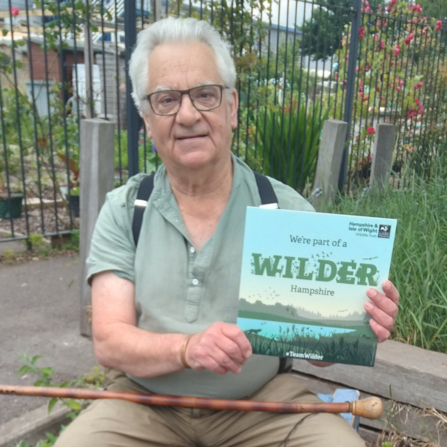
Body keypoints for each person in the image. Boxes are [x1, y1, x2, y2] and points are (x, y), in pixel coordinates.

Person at [55, 17, 399, 447]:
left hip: (264, 406)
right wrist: (186, 348)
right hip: (143, 404)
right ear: (146, 119)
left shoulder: (285, 210)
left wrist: (357, 323)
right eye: (165, 100)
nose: (187, 115)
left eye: (204, 95)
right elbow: (110, 342)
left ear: (231, 107)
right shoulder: (126, 210)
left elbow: (324, 352)